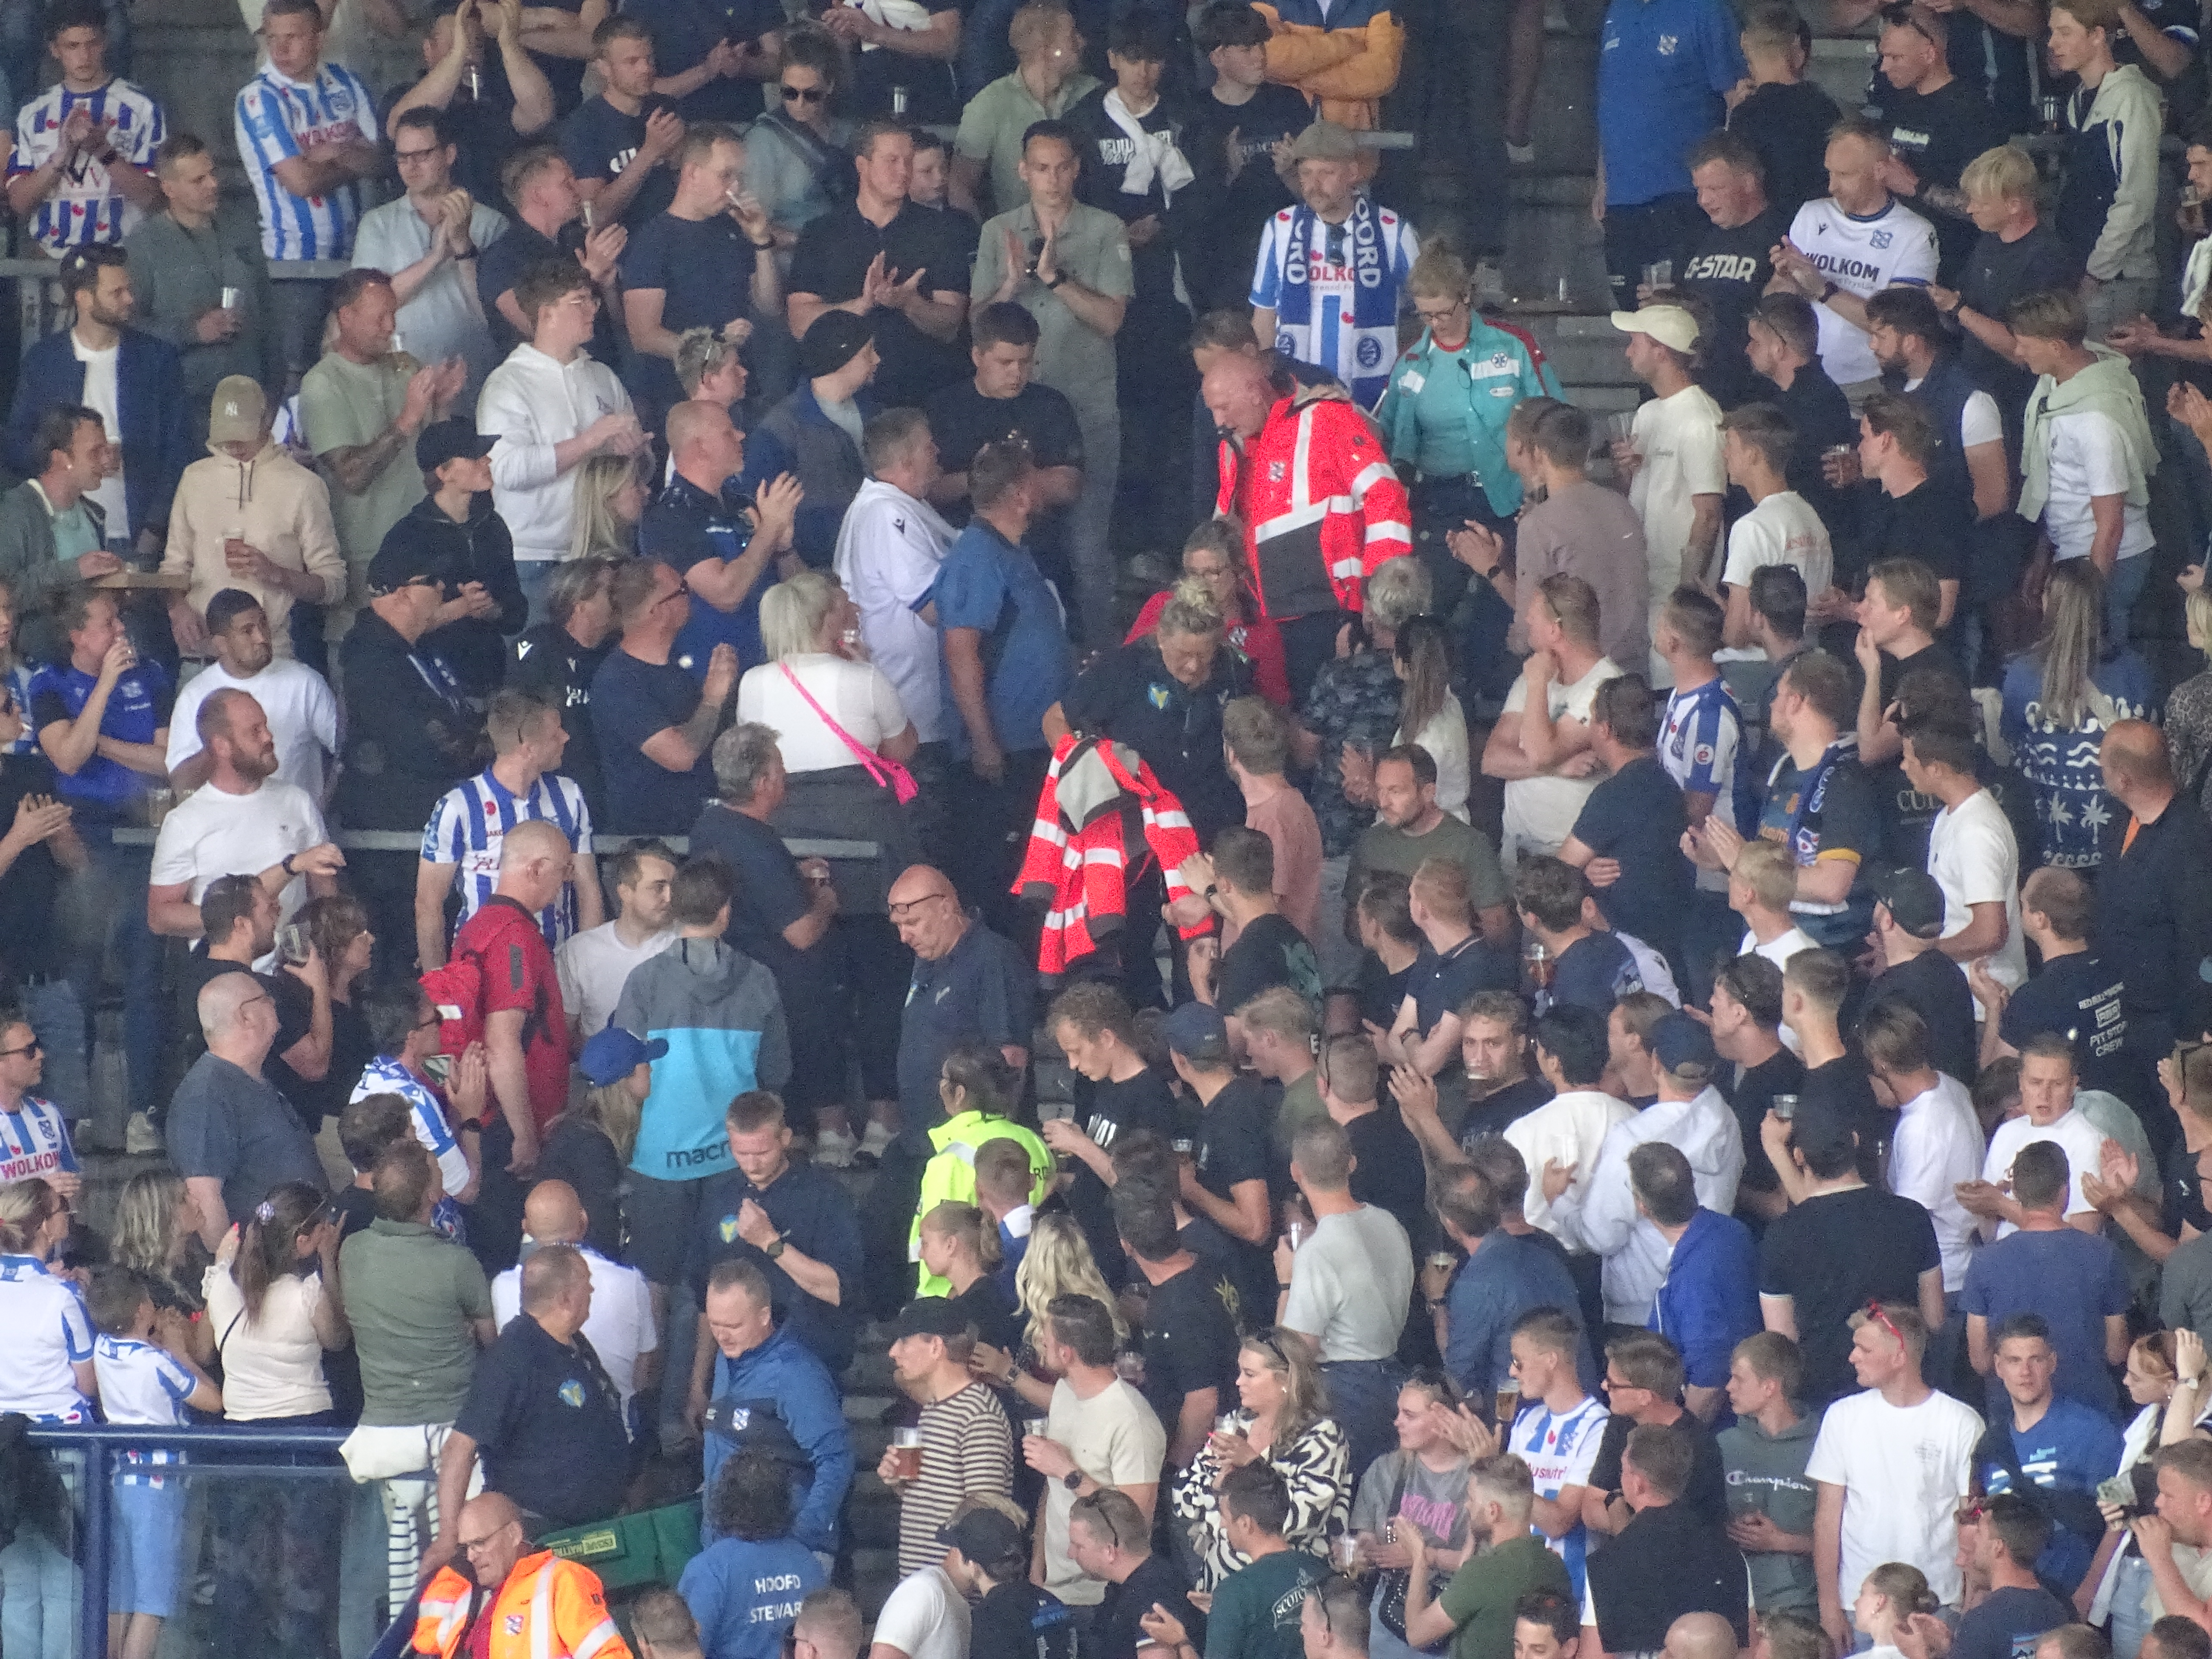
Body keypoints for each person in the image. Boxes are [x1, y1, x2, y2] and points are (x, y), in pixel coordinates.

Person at [970, 119, 1131, 645]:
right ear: (1023, 171)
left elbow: (1111, 320)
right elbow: (977, 327)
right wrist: (1010, 286)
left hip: (1085, 407)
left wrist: (1057, 278)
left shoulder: (1106, 228)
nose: (1053, 179)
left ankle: (1103, 658)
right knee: (1011, 541)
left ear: (1077, 169)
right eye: (1042, 168)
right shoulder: (998, 231)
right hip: (1013, 410)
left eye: (1062, 167)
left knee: (1088, 547)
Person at [1205, 351, 1414, 701]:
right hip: (1264, 620)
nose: (1218, 421)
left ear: (1254, 392)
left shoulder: (1325, 418)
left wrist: (1379, 598)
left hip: (1332, 611)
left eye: (1223, 407)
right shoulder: (1232, 449)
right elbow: (1226, 531)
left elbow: (1385, 496)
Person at [339, 1138, 497, 1597]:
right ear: (433, 1195)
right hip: (456, 1436)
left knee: (401, 1577)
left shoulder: (352, 1252)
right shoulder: (457, 1262)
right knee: (470, 1571)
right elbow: (492, 1342)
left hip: (385, 1440)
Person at [614, 851, 790, 1246]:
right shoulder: (760, 979)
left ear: (674, 907)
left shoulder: (643, 981)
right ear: (726, 911)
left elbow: (625, 1074)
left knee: (658, 1270)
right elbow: (776, 1070)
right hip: (737, 1155)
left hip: (659, 1156)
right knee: (731, 1268)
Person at [1375, 244, 1558, 612]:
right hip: (1438, 500)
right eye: (1425, 315)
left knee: (1509, 610)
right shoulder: (1411, 361)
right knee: (1431, 610)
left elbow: (1554, 418)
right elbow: (1389, 436)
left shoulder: (1513, 346)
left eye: (1444, 312)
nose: (1436, 323)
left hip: (1506, 496)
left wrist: (1543, 492)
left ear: (1467, 297)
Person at [334, 540, 490, 955]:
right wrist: (486, 746)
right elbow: (424, 747)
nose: (443, 589)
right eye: (432, 581)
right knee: (405, 958)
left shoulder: (416, 649)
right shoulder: (370, 660)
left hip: (430, 835)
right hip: (395, 846)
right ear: (401, 592)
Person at [933, 439, 1073, 901]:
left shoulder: (1011, 551)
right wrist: (984, 742)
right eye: (1035, 479)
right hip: (1006, 749)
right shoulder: (977, 557)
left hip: (1035, 739)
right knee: (1003, 878)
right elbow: (961, 652)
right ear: (1020, 495)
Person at [1803, 1301, 1982, 1652]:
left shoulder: (1961, 1422)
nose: (1853, 1357)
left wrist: (1971, 1601)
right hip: (1860, 1606)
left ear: (1899, 1356)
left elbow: (1971, 1523)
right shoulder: (1842, 1417)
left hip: (1938, 1602)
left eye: (1864, 1349)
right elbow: (1827, 1518)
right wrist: (1828, 1606)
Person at [476, 256, 646, 620]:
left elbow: (634, 458)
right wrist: (589, 441)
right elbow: (506, 470)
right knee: (543, 654)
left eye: (593, 299)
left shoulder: (602, 376)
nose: (593, 309)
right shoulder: (508, 383)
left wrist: (634, 453)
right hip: (536, 559)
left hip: (600, 553)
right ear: (546, 313)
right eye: (579, 301)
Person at [426, 1243, 629, 1541]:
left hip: (597, 1526)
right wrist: (448, 1537)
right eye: (587, 1283)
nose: (592, 1290)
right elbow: (460, 1447)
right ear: (566, 1299)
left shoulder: (573, 1343)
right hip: (541, 1534)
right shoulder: (512, 1358)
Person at [1757, 1091, 1944, 1409]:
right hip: (1900, 1388)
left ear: (1799, 1157)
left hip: (1823, 1397)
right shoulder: (1911, 1217)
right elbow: (1934, 1319)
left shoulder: (1781, 1235)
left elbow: (1783, 1343)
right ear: (1855, 1141)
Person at [5, 244, 188, 559]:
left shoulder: (157, 360)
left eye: (128, 289)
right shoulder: (44, 362)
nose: (129, 299)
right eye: (117, 292)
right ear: (84, 298)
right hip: (65, 536)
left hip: (140, 537)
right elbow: (18, 444)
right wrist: (69, 459)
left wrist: (154, 529)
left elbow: (180, 447)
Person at [232, 0, 381, 373]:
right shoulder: (259, 97)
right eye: (272, 38)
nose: (280, 49)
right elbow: (301, 182)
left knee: (358, 369)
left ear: (319, 38)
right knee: (295, 374)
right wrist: (351, 156)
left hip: (357, 257)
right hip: (293, 264)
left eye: (293, 37)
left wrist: (333, 152)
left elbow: (382, 162)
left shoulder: (347, 82)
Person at [785, 120, 971, 411]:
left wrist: (909, 302)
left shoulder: (943, 230)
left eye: (908, 161)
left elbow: (951, 324)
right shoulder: (821, 233)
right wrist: (862, 304)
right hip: (843, 401)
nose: (904, 171)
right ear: (863, 165)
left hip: (924, 397)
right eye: (892, 161)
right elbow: (799, 323)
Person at [161, 375, 348, 666]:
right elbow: (173, 568)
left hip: (272, 657)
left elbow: (334, 585)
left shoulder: (303, 486)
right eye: (226, 437)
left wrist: (276, 574)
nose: (234, 446)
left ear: (268, 420)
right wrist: (177, 608)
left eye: (242, 435)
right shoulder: (194, 479)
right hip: (202, 657)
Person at [680, 1088, 863, 1383]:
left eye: (762, 1153)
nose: (752, 1164)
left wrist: (771, 1243)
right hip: (733, 1367)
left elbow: (839, 1289)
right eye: (742, 1153)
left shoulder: (825, 1197)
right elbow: (706, 1298)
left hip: (807, 1361)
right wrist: (699, 1382)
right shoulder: (720, 1197)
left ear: (785, 1139)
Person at [87, 1264, 220, 1659]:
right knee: (152, 1602)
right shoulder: (157, 1363)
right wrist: (179, 1351)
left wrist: (155, 1338)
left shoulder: (101, 1348)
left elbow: (128, 1340)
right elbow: (213, 1400)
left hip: (118, 1479)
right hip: (159, 1486)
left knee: (119, 1596)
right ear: (143, 1309)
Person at [2013, 288, 2159, 645]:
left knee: (2098, 659)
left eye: (2025, 345)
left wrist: (2085, 599)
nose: (2017, 353)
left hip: (2109, 561)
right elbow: (2058, 483)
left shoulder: (2096, 421)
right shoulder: (2057, 387)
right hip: (2073, 552)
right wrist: (2043, 558)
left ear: (2056, 347)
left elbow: (2111, 525)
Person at [417, 688, 600, 969]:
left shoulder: (569, 795)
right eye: (556, 734)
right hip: (481, 968)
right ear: (528, 748)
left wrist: (587, 973)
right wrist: (438, 985)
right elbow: (429, 904)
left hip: (556, 965)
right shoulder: (458, 806)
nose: (566, 737)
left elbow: (588, 888)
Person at [1277, 1113, 1415, 1479]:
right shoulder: (1390, 1223)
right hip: (1394, 1378)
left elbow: (1296, 1353)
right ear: (1351, 1163)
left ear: (1296, 1172)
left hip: (1347, 1394)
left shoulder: (1317, 1253)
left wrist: (1286, 1282)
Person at [685, 1257, 852, 1556]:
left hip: (783, 1551)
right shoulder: (727, 1357)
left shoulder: (795, 1373)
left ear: (764, 1316)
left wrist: (802, 1538)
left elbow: (836, 1459)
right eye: (714, 1324)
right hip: (725, 1548)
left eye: (734, 1326)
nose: (722, 1336)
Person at [1769, 120, 1939, 407]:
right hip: (1800, 378)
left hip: (1866, 385)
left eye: (1845, 175)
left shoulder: (1915, 233)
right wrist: (1784, 279)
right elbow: (1776, 302)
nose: (1832, 186)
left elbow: (1899, 328)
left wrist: (1823, 289)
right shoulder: (1812, 214)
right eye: (1830, 173)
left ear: (1880, 171)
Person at [124, 134, 280, 441]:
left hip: (248, 397)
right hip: (183, 406)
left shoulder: (241, 229)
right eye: (199, 180)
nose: (213, 184)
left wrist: (275, 388)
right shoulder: (145, 245)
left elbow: (267, 313)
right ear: (169, 188)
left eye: (212, 174)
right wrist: (192, 332)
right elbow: (129, 327)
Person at [621, 124, 780, 423]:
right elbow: (644, 335)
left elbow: (769, 306)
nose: (735, 188)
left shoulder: (732, 228)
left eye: (739, 177)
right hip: (680, 397)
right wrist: (715, 349)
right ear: (693, 173)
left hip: (739, 387)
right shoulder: (654, 240)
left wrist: (761, 241)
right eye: (726, 175)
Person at [1590, 0, 1742, 307]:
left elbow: (1738, 100)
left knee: (1685, 316)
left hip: (1685, 195)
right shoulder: (1618, 10)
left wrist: (1726, 181)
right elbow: (1613, 102)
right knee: (1634, 318)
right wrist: (1602, 182)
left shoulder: (1707, 11)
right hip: (1623, 198)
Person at [352, 109, 509, 401]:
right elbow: (368, 306)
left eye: (422, 155)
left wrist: (463, 246)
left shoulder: (491, 223)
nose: (411, 166)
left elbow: (494, 311)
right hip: (400, 383)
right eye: (402, 157)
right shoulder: (377, 223)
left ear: (449, 154)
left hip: (475, 378)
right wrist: (436, 258)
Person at [1962, 1149, 2131, 1417]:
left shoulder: (1985, 1261)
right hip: (2090, 1413)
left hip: (2015, 1418)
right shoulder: (2103, 1254)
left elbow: (1981, 1361)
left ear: (2016, 1193)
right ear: (2065, 1192)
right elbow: (2117, 1352)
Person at [1028, 1292, 1170, 1610]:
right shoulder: (1064, 1391)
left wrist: (1068, 1472)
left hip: (1100, 1599)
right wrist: (1038, 1564)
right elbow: (1053, 1489)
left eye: (1046, 1338)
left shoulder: (1132, 1420)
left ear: (1066, 1353)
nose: (1041, 1343)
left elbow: (1135, 1525)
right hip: (1050, 1587)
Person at [835, 409, 958, 766]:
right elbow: (934, 607)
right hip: (911, 714)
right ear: (906, 463)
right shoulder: (886, 514)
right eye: (928, 447)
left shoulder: (901, 503)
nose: (937, 452)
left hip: (916, 711)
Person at [642, 399, 799, 672]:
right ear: (700, 448)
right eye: (728, 433)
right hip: (711, 672)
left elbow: (793, 586)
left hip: (772, 664)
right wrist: (770, 529)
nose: (741, 435)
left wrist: (784, 547)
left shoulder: (741, 502)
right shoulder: (670, 516)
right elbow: (727, 594)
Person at [489, 1180, 658, 1429]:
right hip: (618, 1430)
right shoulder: (630, 1281)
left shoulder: (502, 1286)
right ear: (584, 1221)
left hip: (538, 1436)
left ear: (526, 1228)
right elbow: (645, 1367)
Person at [1484, 578, 1625, 870]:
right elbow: (1492, 760)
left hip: (1570, 859)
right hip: (1517, 852)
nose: (1526, 620)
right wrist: (1558, 768)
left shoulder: (1607, 686)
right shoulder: (1533, 673)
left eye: (1534, 614)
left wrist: (1538, 684)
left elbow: (1542, 753)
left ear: (1555, 629)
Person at [590, 559, 739, 833]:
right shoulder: (618, 681)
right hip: (654, 840)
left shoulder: (678, 666)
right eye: (682, 590)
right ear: (658, 611)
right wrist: (713, 699)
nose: (690, 595)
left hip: (699, 829)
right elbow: (679, 756)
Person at [1611, 307, 1725, 663]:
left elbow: (1709, 514)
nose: (1628, 352)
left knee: (1670, 679)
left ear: (1661, 350)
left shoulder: (1701, 419)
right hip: (1643, 579)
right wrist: (1629, 470)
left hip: (1674, 590)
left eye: (1635, 343)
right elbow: (1637, 494)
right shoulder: (1647, 413)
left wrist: (1686, 592)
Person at [1176, 2, 1307, 314]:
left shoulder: (1288, 103)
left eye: (1261, 45)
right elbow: (1185, 210)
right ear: (1218, 57)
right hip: (1219, 264)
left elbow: (1318, 194)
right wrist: (1226, 173)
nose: (1259, 56)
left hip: (1286, 253)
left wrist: (1291, 174)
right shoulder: (1194, 115)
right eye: (1247, 49)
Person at [1560, 675, 1695, 975]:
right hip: (1670, 946)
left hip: (1627, 954)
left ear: (1606, 730)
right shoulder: (1667, 784)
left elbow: (1560, 871)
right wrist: (1586, 870)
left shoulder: (1615, 793)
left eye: (1592, 721)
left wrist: (1580, 873)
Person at [387, 417, 530, 699]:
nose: (487, 460)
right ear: (444, 472)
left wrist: (493, 610)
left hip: (492, 678)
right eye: (475, 457)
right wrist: (460, 608)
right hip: (434, 689)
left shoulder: (493, 526)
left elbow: (517, 612)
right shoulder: (408, 537)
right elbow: (392, 626)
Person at [6, 0, 159, 258]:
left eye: (92, 44)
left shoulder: (143, 107)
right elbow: (19, 204)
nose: (84, 57)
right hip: (53, 259)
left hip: (121, 260)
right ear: (55, 50)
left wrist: (104, 152)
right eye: (73, 46)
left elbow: (155, 199)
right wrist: (62, 154)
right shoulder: (31, 112)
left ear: (106, 42)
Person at [1582, 1424, 1752, 1654]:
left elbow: (1595, 1654)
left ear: (1638, 1484)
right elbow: (1748, 1648)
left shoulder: (1608, 1562)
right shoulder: (1729, 1553)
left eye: (1624, 1471)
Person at [2046, 0, 2163, 333]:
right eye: (2052, 32)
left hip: (2118, 279)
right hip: (2082, 267)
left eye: (2065, 33)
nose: (2052, 43)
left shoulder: (2132, 97)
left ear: (2098, 35)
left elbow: (2136, 198)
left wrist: (2096, 273)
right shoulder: (2079, 97)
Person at [411, 1492, 633, 1659]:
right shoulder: (469, 1595)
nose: (471, 1556)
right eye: (466, 1547)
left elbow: (609, 1654)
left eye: (479, 1543)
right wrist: (453, 1569)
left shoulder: (561, 1579)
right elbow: (425, 1641)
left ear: (514, 1534)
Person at [383, 0, 557, 211]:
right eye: (457, 44)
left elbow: (540, 113)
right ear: (429, 50)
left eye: (477, 45)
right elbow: (401, 122)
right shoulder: (402, 95)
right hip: (421, 220)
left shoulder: (493, 98)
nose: (470, 55)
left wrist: (509, 44)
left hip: (491, 219)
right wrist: (458, 55)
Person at [1396, 1452, 1573, 1659]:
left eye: (1471, 1498)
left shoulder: (1484, 1572)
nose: (1467, 1505)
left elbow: (1417, 1634)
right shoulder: (1555, 1566)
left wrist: (1419, 1558)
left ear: (1493, 1511)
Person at [164, 591, 339, 798]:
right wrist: (220, 745)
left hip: (295, 816)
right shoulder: (194, 695)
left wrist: (322, 807)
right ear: (221, 644)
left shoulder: (306, 682)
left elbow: (345, 753)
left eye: (263, 624)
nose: (262, 638)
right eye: (248, 631)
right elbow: (181, 781)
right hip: (226, 818)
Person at [1146, 1464, 1330, 1659]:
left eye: (1224, 1516)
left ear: (1245, 1524)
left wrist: (1180, 1641)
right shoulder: (1320, 1570)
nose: (1223, 1524)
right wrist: (1226, 1609)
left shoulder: (1234, 1592)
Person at [200, 1179, 345, 1423]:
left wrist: (222, 1260)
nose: (328, 1231)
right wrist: (329, 1261)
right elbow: (337, 1340)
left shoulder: (220, 1285)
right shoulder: (306, 1296)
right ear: (302, 1242)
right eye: (323, 1228)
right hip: (304, 1423)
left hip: (241, 1426)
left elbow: (203, 1351)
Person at [1973, 867, 2129, 1091]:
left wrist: (1993, 1008)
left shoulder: (2035, 998)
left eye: (2023, 903)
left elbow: (1993, 1082)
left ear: (2040, 919)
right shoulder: (2114, 970)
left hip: (2072, 1109)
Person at [476, 143, 626, 360]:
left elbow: (619, 321)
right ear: (539, 197)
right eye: (567, 183)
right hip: (546, 376)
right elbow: (536, 328)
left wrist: (607, 283)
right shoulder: (501, 260)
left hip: (603, 365)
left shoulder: (577, 239)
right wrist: (589, 275)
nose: (577, 188)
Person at [949, 1, 1097, 218]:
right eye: (1072, 37)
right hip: (1017, 235)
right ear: (1047, 50)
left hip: (1090, 233)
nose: (1082, 42)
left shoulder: (1094, 94)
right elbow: (959, 186)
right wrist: (989, 234)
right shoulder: (990, 104)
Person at [1677, 132, 1793, 405]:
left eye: (1715, 189)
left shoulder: (1784, 233)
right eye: (1699, 190)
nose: (1703, 200)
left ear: (1749, 183)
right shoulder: (1698, 237)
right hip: (1697, 384)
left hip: (1754, 392)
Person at [675, 1448, 825, 1659]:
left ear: (724, 1501)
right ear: (785, 1501)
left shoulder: (710, 1570)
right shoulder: (808, 1563)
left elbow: (683, 1651)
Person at [509, 552, 620, 819]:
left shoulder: (620, 650)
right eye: (611, 591)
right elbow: (520, 726)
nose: (620, 598)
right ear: (580, 604)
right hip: (552, 790)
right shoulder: (538, 649)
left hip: (612, 786)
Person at [1963, 1036, 2110, 1239]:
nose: (2044, 1095)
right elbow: (1990, 1232)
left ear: (2073, 1086)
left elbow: (2082, 1235)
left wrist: (2001, 1205)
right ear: (2021, 1082)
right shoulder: (2007, 1132)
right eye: (2035, 1082)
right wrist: (1979, 1201)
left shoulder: (2087, 1141)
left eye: (2056, 1084)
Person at [1718, 1333, 1818, 1618]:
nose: (1729, 1387)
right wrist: (1728, 1528)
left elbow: (1848, 1536)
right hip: (1735, 1603)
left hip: (1801, 1606)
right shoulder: (1724, 1445)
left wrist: (1781, 1541)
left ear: (1770, 1387)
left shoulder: (1822, 1444)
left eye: (1739, 1379)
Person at [0, 406, 120, 637]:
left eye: (106, 450)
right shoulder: (16, 510)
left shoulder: (94, 515)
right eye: (95, 452)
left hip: (88, 650)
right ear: (61, 458)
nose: (107, 461)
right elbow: (8, 593)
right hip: (37, 651)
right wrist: (75, 570)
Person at [1719, 405, 1831, 649]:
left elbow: (1737, 635)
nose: (1725, 454)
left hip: (1759, 663)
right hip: (1809, 654)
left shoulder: (1751, 527)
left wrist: (1722, 616)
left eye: (1730, 445)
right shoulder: (1810, 515)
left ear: (1753, 455)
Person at [559, 17, 682, 236]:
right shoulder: (584, 127)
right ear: (604, 68)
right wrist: (650, 153)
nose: (646, 69)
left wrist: (680, 157)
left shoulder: (665, 107)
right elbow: (594, 218)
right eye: (632, 62)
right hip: (630, 243)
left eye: (649, 58)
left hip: (679, 231)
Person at [557, 838, 676, 1046]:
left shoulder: (686, 945)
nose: (670, 897)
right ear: (625, 892)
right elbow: (563, 1033)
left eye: (674, 887)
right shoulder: (580, 951)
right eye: (658, 888)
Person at [739, 26, 850, 247]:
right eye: (790, 93)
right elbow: (752, 224)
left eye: (811, 94)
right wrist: (812, 244)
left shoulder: (849, 134)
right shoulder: (763, 141)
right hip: (791, 256)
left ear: (830, 86)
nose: (799, 104)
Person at [1072, 1486, 1206, 1659]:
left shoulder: (1152, 1599)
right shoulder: (1134, 1584)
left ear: (1110, 1551)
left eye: (1078, 1546)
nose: (1071, 1553)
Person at [1951, 1496, 2074, 1659]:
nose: (1975, 1540)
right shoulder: (2060, 1607)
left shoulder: (1982, 1622)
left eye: (1979, 1533)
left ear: (1997, 1547)